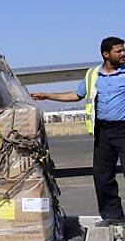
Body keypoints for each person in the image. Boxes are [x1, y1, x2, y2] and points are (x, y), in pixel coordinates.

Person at [32, 36, 125, 226]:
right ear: (106, 54)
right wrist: (47, 95)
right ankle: (113, 216)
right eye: (119, 51)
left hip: (124, 129)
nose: (123, 53)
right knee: (102, 175)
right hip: (103, 132)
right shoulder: (92, 75)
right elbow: (76, 95)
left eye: (123, 50)